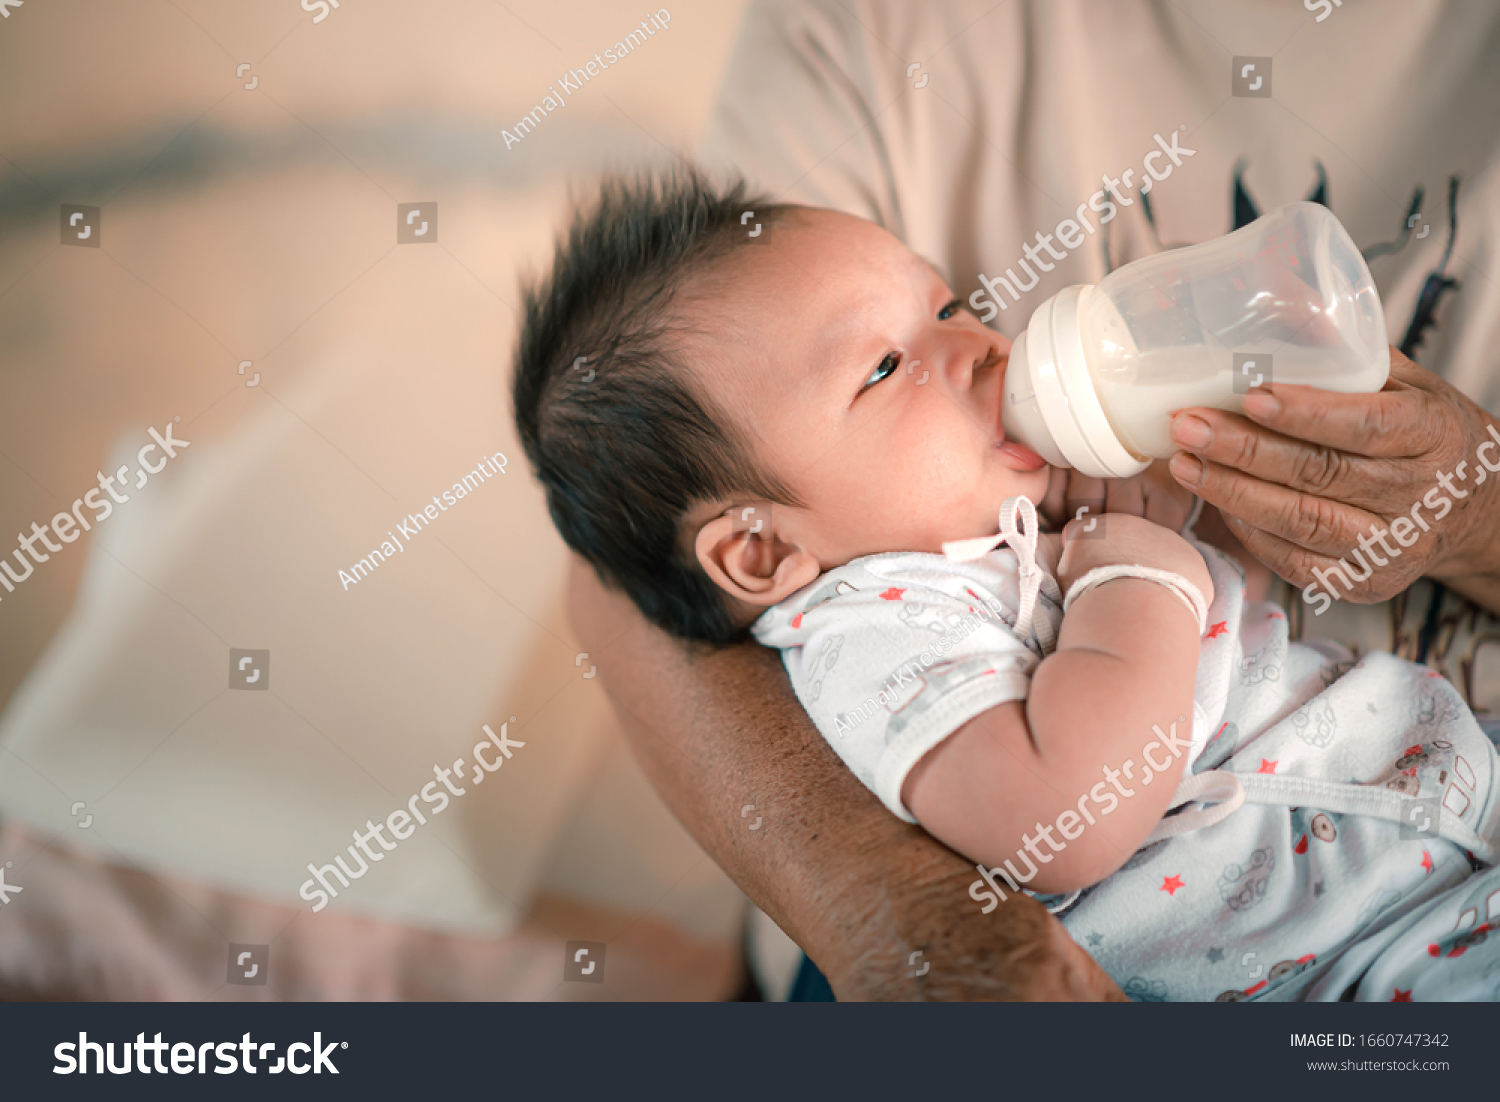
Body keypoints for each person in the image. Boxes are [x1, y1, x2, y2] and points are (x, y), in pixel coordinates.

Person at [569, 0, 1500, 999]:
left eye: (947, 306)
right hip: (1363, 948)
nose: (979, 346)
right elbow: (1072, 812)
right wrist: (1139, 564)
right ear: (760, 555)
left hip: (1414, 832)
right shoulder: (880, 635)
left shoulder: (974, 529)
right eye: (885, 367)